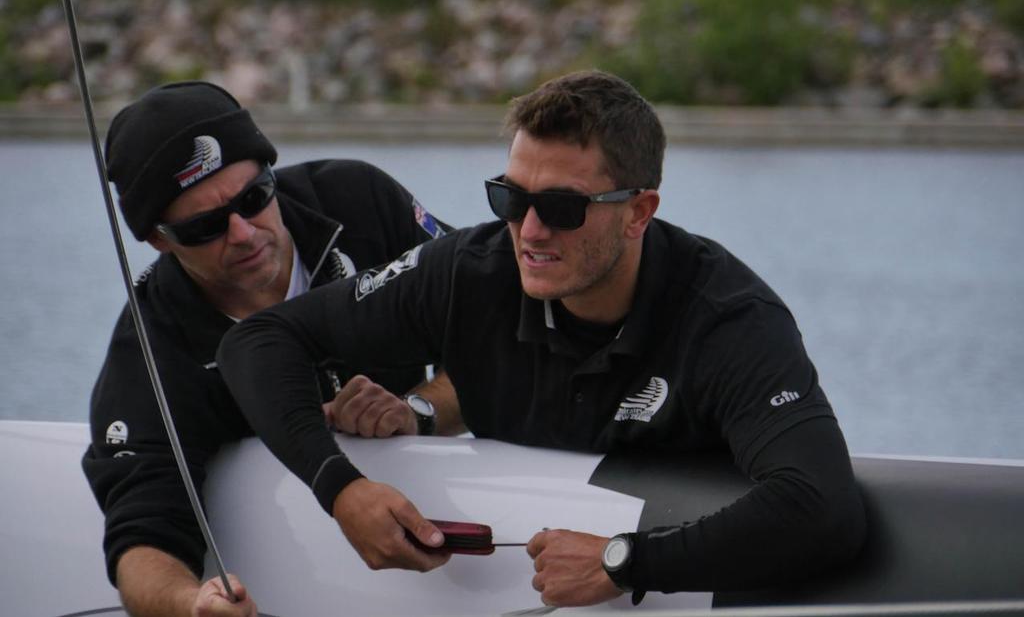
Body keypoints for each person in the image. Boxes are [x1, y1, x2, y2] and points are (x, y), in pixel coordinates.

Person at [216, 70, 867, 606]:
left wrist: (624, 561)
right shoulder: (468, 272)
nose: (528, 231)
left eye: (562, 208)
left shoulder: (727, 317)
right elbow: (258, 342)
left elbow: (823, 507)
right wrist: (342, 487)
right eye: (510, 199)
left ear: (639, 212)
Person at [81, 81, 456, 617]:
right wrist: (191, 604)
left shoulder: (360, 200)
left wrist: (418, 411)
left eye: (255, 197)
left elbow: (498, 332)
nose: (243, 233)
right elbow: (141, 540)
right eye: (206, 226)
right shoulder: (149, 355)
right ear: (159, 239)